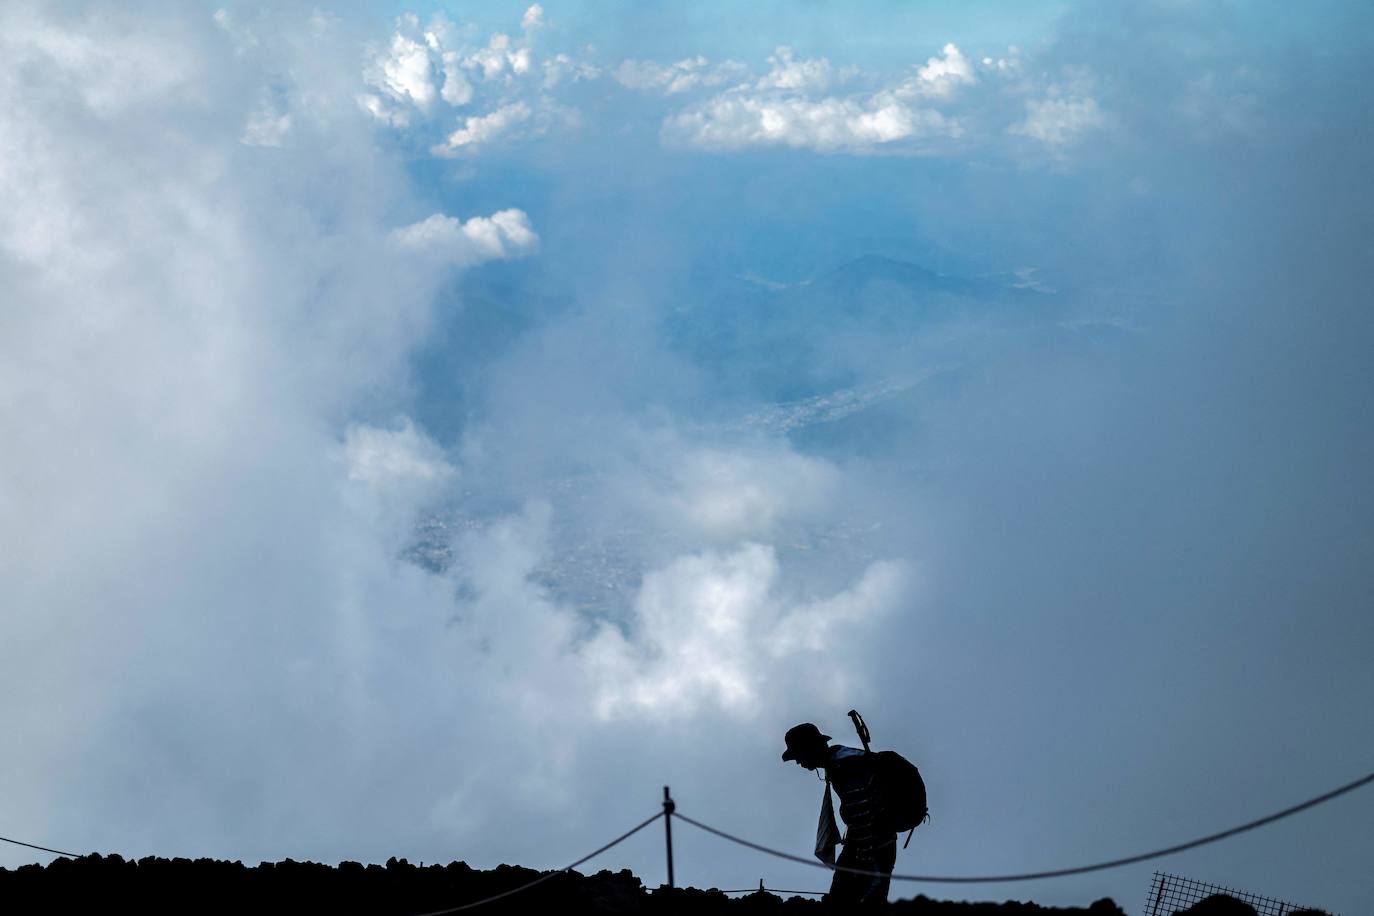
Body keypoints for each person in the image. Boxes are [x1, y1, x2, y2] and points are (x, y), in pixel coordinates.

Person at [782, 722, 897, 905]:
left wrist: (864, 861)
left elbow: (864, 816)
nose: (798, 762)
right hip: (869, 844)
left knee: (860, 904)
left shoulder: (842, 768)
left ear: (811, 749)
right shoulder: (842, 760)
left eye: (798, 754)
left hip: (872, 847)